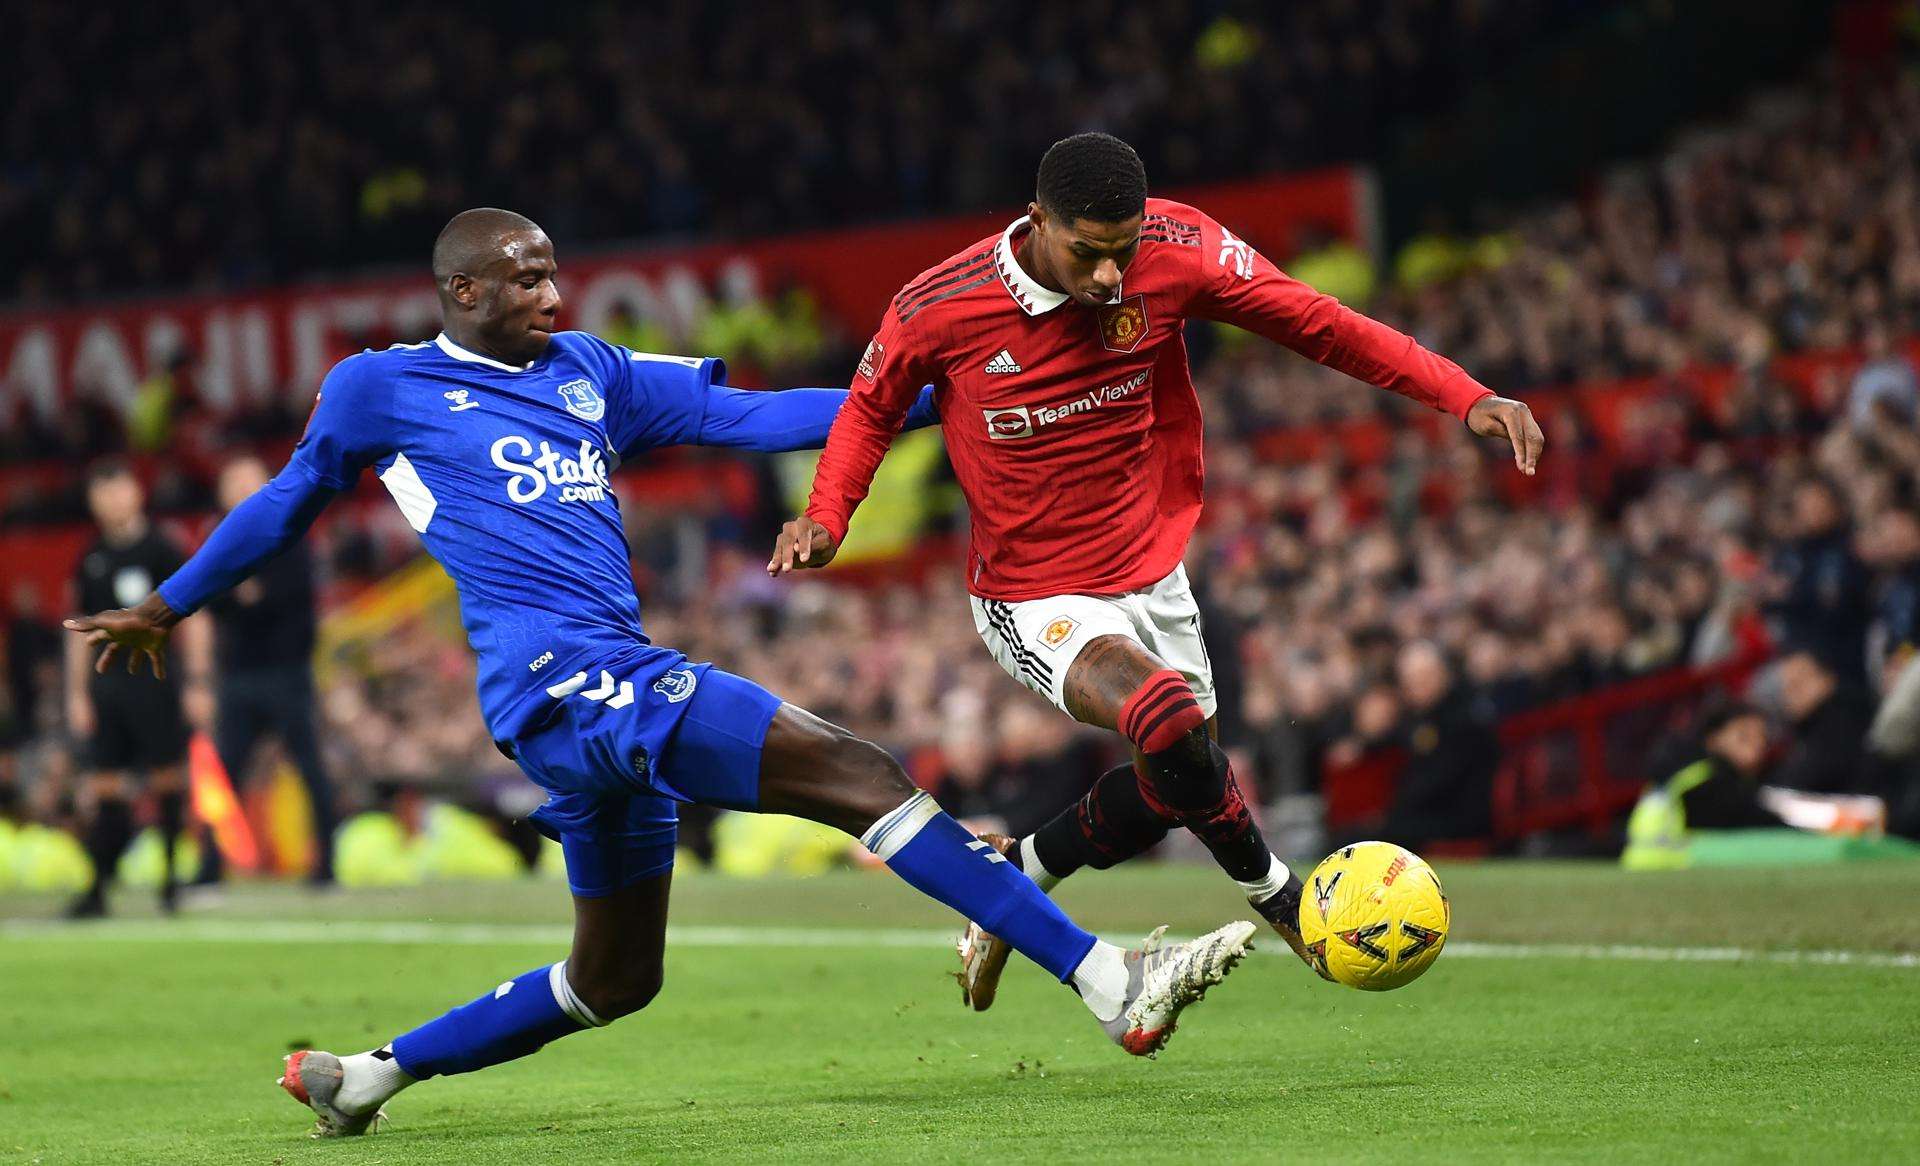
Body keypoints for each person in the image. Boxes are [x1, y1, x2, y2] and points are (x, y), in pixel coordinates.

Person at [65, 209, 1259, 1139]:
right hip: (553, 677)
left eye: (551, 273)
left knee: (615, 976)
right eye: (524, 278)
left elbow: (748, 416)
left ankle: (369, 1074)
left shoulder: (590, 369)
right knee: (854, 769)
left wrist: (931, 394)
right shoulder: (383, 386)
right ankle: (1111, 980)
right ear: (462, 291)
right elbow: (288, 499)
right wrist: (169, 603)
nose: (550, 293)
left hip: (601, 689)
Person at [770, 132, 1543, 1001]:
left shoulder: (1181, 250)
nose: (1109, 277)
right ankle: (1283, 902)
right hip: (1033, 592)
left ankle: (1011, 882)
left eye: (1123, 251)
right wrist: (828, 517)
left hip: (1152, 569)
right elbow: (869, 410)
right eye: (1089, 253)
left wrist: (1463, 393)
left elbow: (1319, 324)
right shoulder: (939, 304)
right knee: (1169, 717)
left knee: (1181, 781)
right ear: (1038, 222)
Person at [64, 459, 213, 917]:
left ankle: (171, 882)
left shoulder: (162, 549)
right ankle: (100, 885)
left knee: (168, 778)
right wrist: (76, 693)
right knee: (104, 786)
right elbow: (74, 630)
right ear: (93, 501)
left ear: (137, 493)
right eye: (102, 491)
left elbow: (198, 614)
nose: (112, 498)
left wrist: (199, 682)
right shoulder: (89, 558)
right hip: (108, 689)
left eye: (119, 488)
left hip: (157, 682)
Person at [193, 454, 339, 888]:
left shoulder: (293, 530)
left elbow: (279, 598)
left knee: (310, 769)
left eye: (246, 479)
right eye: (231, 481)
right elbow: (215, 599)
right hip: (238, 675)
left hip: (286, 672)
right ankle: (208, 867)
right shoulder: (219, 539)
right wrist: (245, 595)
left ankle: (326, 865)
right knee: (223, 774)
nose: (239, 489)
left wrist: (243, 594)